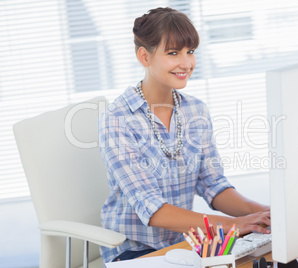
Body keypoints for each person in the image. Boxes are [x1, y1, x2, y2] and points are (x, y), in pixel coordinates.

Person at [98, 7, 271, 263]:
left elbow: (213, 185)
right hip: (134, 251)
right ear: (144, 56)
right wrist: (233, 225)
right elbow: (152, 210)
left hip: (186, 243)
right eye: (173, 53)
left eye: (190, 52)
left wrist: (266, 214)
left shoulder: (196, 111)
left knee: (265, 255)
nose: (186, 63)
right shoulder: (117, 120)